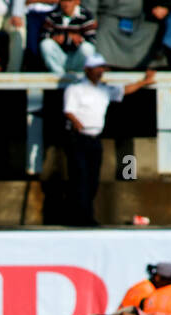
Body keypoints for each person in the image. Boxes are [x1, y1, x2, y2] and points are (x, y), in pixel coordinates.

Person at [61, 54, 155, 227]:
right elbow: (68, 110)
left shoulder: (103, 89)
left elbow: (123, 90)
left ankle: (87, 216)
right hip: (78, 138)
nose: (100, 71)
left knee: (92, 179)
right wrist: (77, 123)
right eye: (97, 68)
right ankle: (80, 218)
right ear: (87, 70)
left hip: (95, 138)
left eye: (101, 68)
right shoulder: (75, 89)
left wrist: (144, 81)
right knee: (80, 177)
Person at [39, 0, 94, 74]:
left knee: (87, 48)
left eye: (69, 1)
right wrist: (54, 38)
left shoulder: (86, 16)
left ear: (77, 2)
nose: (66, 4)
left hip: (77, 57)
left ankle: (79, 75)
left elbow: (92, 39)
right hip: (60, 57)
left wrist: (80, 39)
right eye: (63, 1)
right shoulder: (53, 15)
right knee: (46, 44)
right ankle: (59, 75)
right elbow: (43, 36)